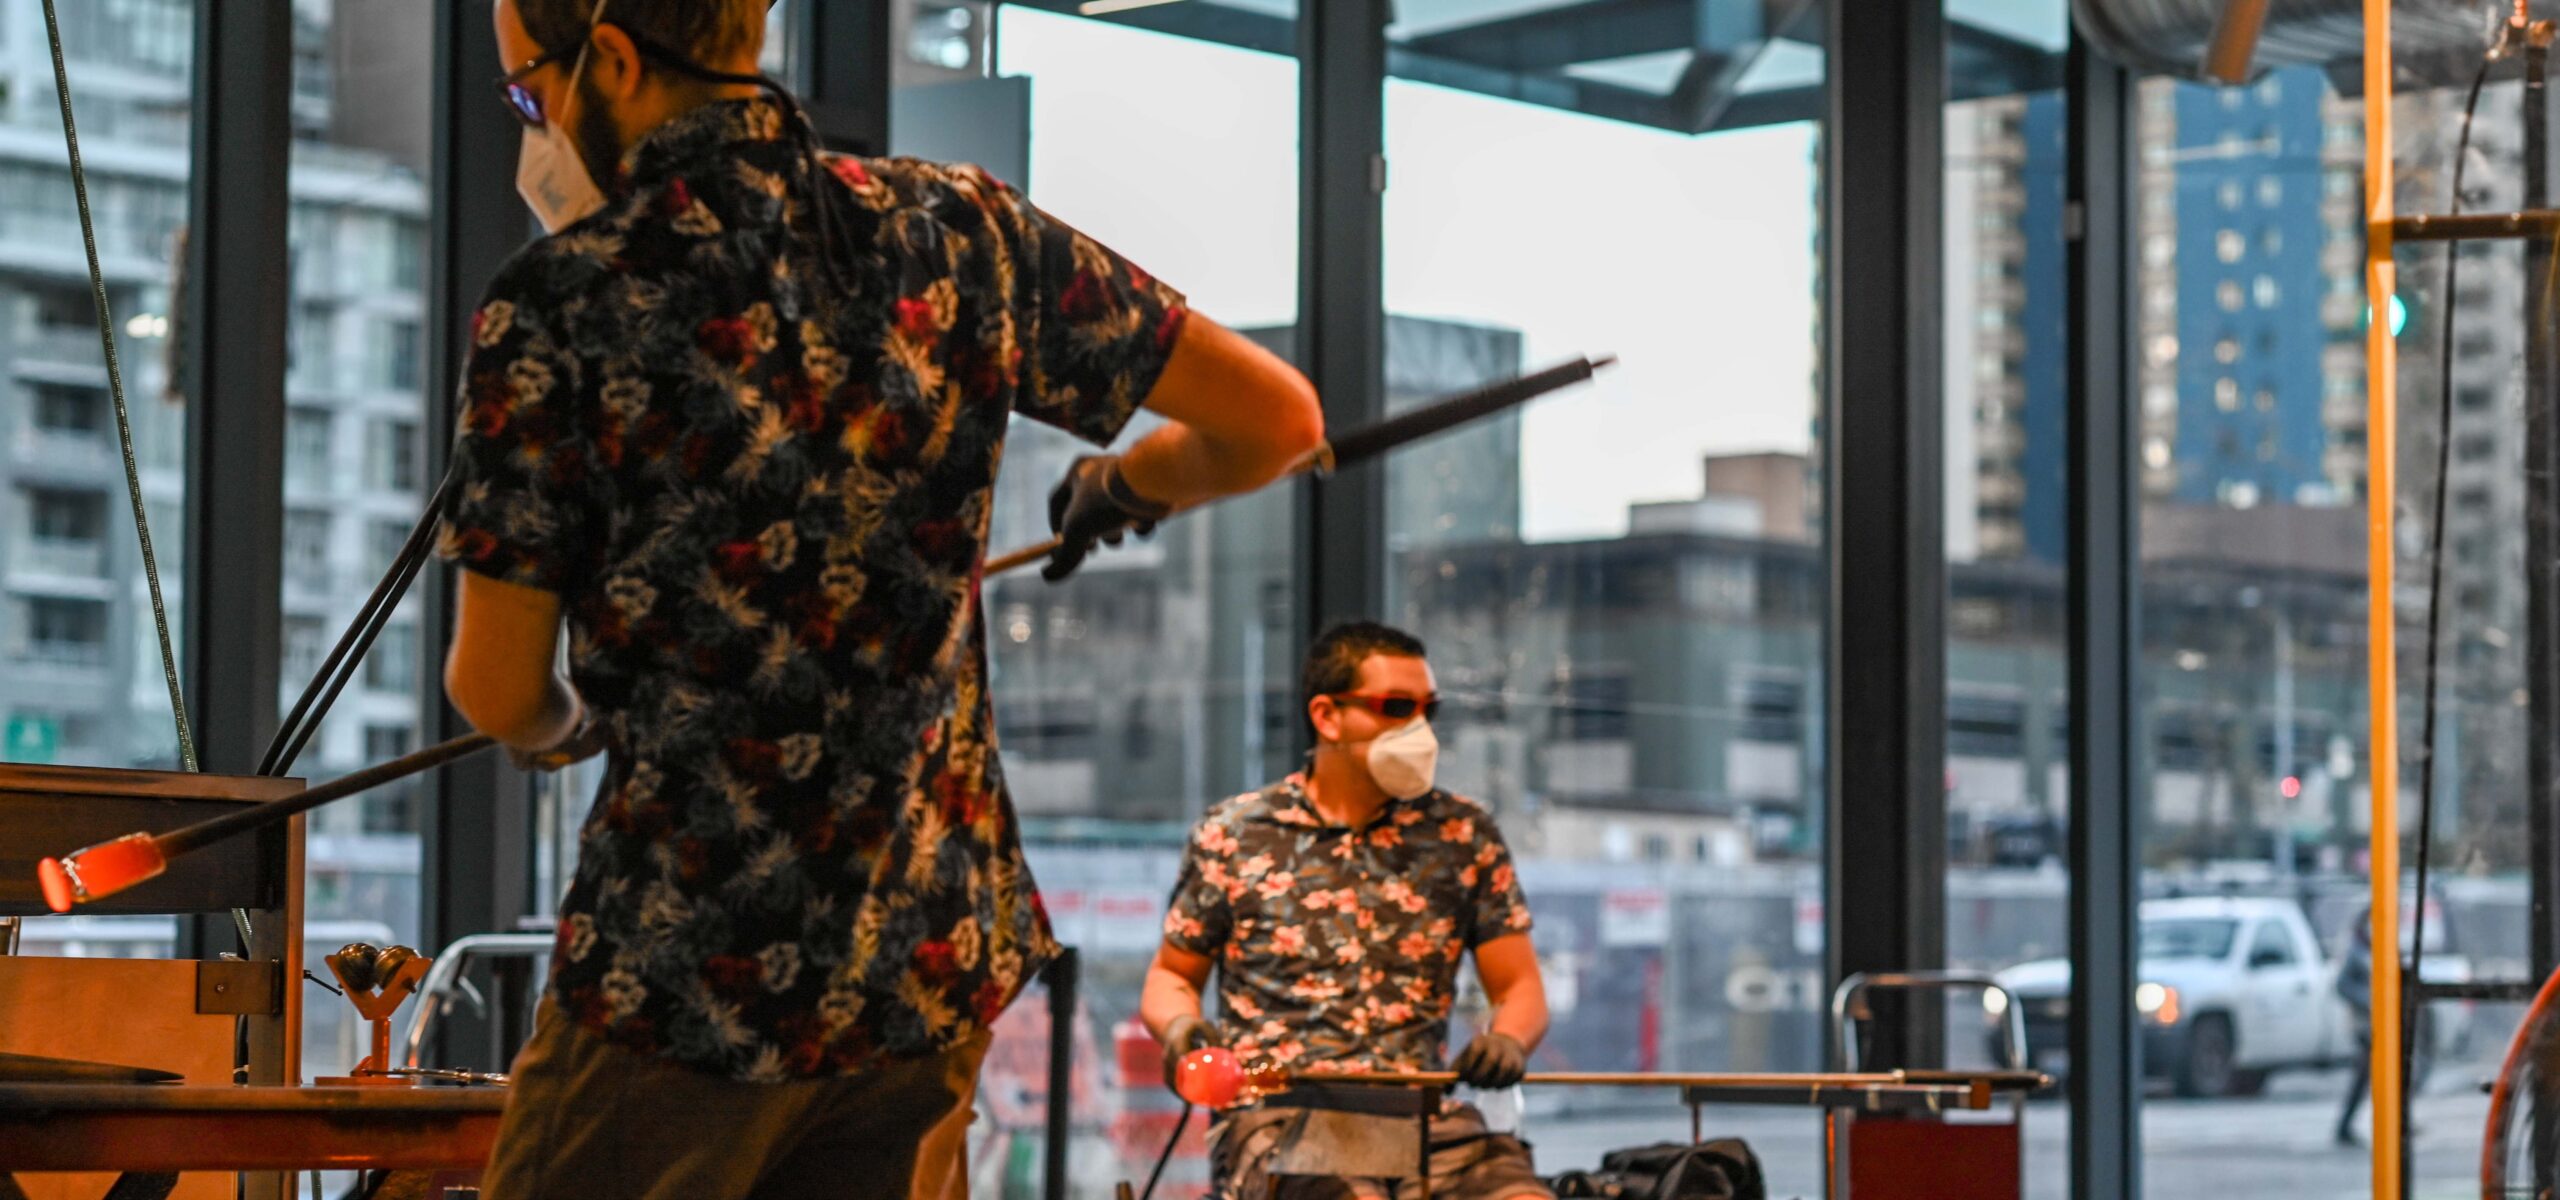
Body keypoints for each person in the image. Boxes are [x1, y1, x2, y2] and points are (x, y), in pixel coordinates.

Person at [435, 1, 1324, 1196]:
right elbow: (1276, 420)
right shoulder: (961, 229)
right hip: (921, 960)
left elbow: (494, 688)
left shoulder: (561, 298)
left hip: (686, 968)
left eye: (528, 97)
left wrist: (569, 729)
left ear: (611, 58)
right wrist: (1123, 479)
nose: (533, 130)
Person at [1142, 621, 1553, 1200]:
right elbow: (1171, 975)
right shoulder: (1235, 835)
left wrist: (1508, 1038)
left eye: (1425, 711)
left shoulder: (1462, 835)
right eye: (1394, 707)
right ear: (1327, 716)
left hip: (1422, 1110)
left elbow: (1520, 986)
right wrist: (1181, 1028)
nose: (1417, 729)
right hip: (1276, 1101)